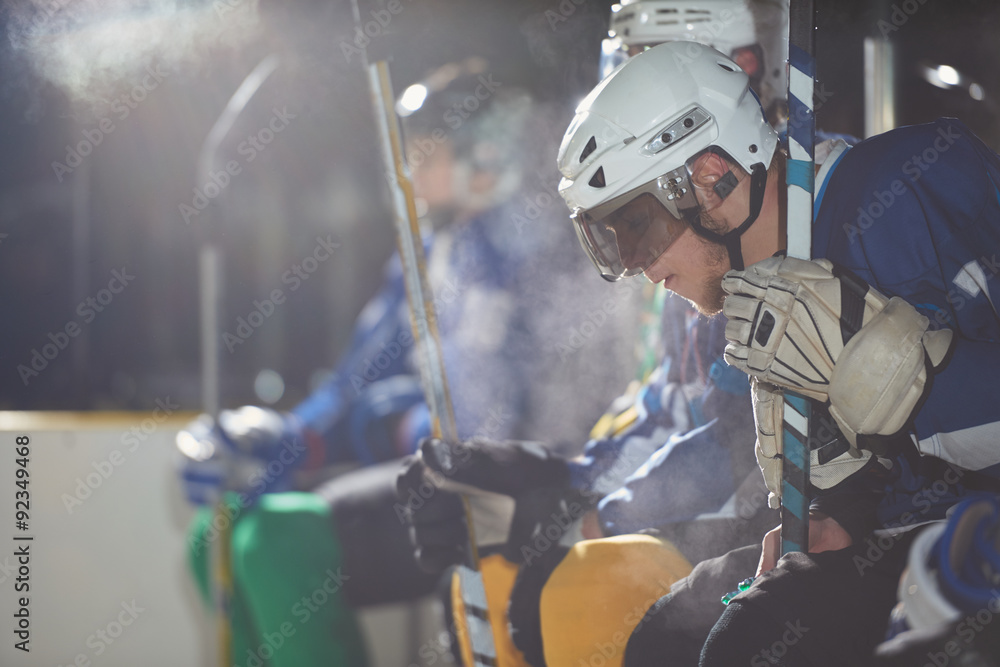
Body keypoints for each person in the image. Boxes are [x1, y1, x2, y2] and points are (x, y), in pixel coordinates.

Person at [177, 62, 640, 667]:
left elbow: (510, 415)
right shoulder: (426, 255)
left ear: (486, 155)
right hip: (427, 473)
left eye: (427, 154)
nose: (410, 175)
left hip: (513, 492)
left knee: (276, 541)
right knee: (210, 537)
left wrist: (400, 422)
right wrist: (283, 443)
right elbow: (355, 382)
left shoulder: (540, 250)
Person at [553, 40, 1000, 666]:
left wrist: (914, 379)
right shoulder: (744, 290)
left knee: (754, 640)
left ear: (713, 178)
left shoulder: (905, 184)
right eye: (612, 242)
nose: (638, 268)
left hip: (974, 541)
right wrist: (841, 515)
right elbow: (866, 468)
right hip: (901, 534)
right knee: (662, 639)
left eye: (639, 228)